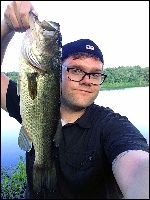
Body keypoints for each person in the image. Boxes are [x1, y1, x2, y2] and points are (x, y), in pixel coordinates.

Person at [1, 1, 149, 199]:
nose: (87, 81)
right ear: (57, 72)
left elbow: (138, 165)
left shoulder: (111, 126)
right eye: (76, 70)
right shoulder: (31, 101)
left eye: (95, 74)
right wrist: (6, 27)